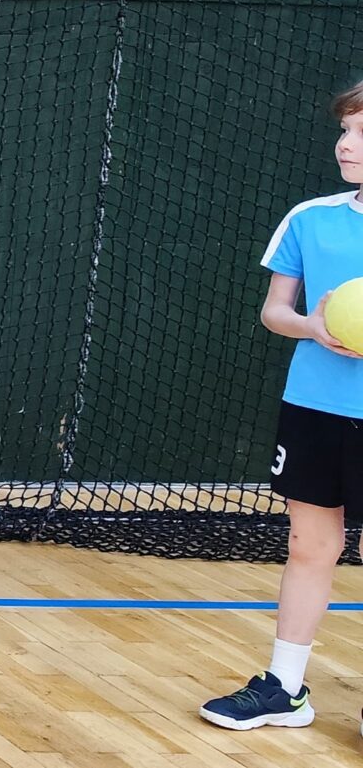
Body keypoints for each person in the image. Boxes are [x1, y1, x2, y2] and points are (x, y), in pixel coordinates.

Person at [199, 80, 363, 730]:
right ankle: (285, 687)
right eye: (345, 130)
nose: (345, 144)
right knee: (308, 543)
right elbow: (275, 311)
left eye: (362, 134)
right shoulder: (310, 218)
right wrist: (314, 328)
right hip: (314, 406)